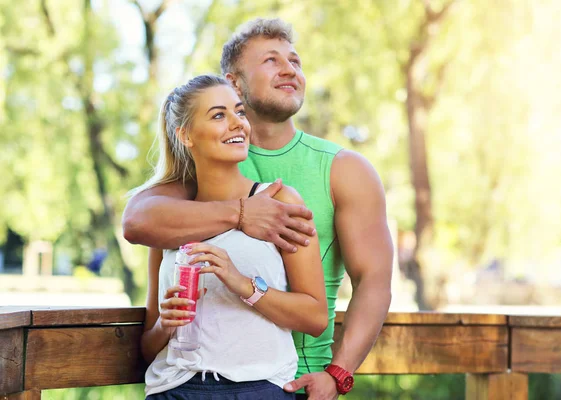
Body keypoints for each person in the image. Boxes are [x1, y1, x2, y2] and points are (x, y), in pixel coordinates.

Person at [123, 18, 393, 399]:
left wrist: (338, 373)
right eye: (271, 60)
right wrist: (243, 214)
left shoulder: (345, 170)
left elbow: (374, 282)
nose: (289, 69)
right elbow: (137, 222)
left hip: (296, 384)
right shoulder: (200, 171)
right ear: (234, 82)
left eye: (295, 61)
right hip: (187, 383)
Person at [137, 74, 328, 399]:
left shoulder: (280, 202)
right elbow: (147, 346)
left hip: (259, 389)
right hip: (174, 389)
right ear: (186, 135)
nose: (238, 124)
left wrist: (242, 284)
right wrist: (165, 326)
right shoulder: (170, 220)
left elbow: (315, 316)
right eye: (218, 115)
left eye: (239, 112)